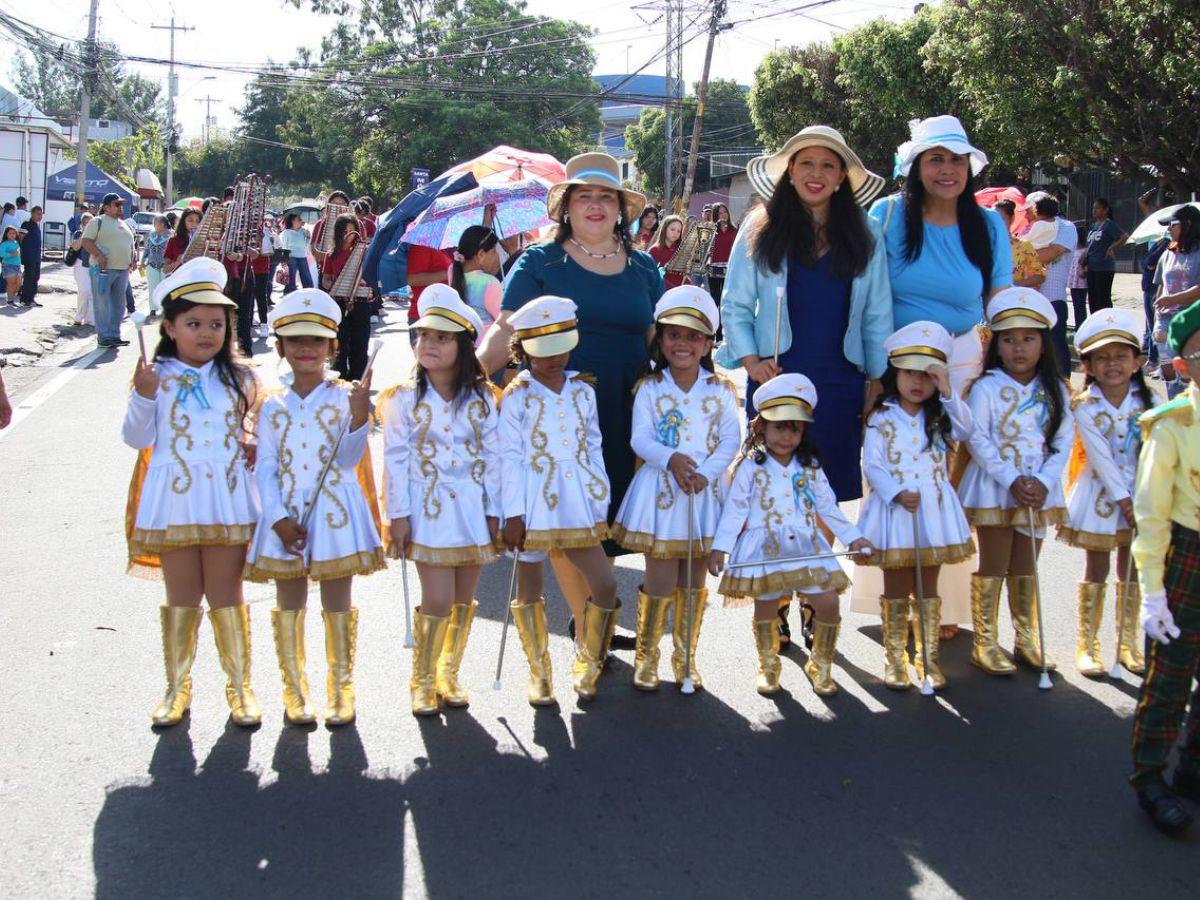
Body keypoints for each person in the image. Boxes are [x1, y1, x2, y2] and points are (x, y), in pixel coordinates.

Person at [478, 151, 664, 648]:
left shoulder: (645, 268)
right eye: (585, 196)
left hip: (625, 413)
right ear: (566, 206)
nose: (597, 206)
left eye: (607, 196)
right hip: (554, 415)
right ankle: (590, 628)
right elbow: (506, 327)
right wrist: (465, 377)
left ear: (622, 208)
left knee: (613, 521)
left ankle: (596, 622)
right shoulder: (540, 262)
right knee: (567, 517)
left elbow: (657, 341)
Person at [121, 258, 261, 727]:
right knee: (182, 597)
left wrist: (251, 441)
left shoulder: (240, 377)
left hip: (224, 499)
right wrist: (142, 396)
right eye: (194, 323)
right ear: (170, 326)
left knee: (227, 594)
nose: (206, 332)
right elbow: (136, 439)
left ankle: (240, 687)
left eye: (216, 324)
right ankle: (176, 688)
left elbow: (250, 433)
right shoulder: (154, 375)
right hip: (175, 503)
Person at [720, 125, 892, 503]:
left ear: (842, 176)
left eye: (828, 165)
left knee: (828, 490)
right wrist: (750, 360)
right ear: (791, 170)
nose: (817, 174)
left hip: (841, 378)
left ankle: (818, 564)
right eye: (807, 164)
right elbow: (735, 302)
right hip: (777, 373)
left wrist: (877, 378)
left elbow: (877, 312)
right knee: (770, 488)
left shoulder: (867, 230)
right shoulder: (761, 225)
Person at [244, 289, 385, 726]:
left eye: (317, 341)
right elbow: (264, 466)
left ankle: (341, 689)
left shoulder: (345, 396)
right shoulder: (270, 403)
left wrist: (359, 418)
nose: (307, 349)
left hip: (335, 515)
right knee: (289, 602)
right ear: (281, 346)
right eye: (296, 340)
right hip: (283, 515)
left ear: (332, 347)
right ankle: (294, 690)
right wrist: (279, 519)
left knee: (337, 602)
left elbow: (346, 461)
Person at [709, 374, 874, 696]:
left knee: (827, 603)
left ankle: (821, 663)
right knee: (766, 605)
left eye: (795, 428)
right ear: (762, 427)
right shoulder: (750, 467)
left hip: (806, 544)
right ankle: (768, 664)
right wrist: (720, 548)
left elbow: (828, 508)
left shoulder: (810, 466)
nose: (787, 435)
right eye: (779, 426)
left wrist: (854, 538)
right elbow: (735, 511)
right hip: (763, 549)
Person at [610, 287, 741, 693]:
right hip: (660, 496)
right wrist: (670, 459)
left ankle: (686, 657)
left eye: (693, 336)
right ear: (661, 339)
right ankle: (647, 656)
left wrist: (706, 471)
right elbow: (641, 438)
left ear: (706, 344)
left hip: (703, 496)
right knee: (660, 577)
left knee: (693, 581)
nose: (682, 344)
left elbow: (729, 441)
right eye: (673, 335)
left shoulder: (720, 391)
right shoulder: (650, 388)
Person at [379, 286, 500, 716]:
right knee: (437, 597)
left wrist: (495, 512)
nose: (428, 344)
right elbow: (393, 459)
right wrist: (397, 516)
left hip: (470, 511)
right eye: (423, 335)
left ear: (464, 344)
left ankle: (449, 673)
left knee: (464, 599)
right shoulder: (401, 398)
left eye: (441, 337)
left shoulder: (483, 398)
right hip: (425, 512)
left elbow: (495, 458)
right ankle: (422, 679)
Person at [499, 296, 619, 703]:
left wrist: (598, 495)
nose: (552, 360)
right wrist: (512, 513)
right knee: (530, 588)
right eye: (540, 352)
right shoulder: (516, 396)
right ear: (522, 349)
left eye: (559, 348)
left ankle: (590, 656)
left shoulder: (583, 391)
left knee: (604, 584)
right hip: (533, 503)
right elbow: (509, 457)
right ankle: (539, 671)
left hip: (577, 502)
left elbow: (594, 445)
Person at [958, 288, 1073, 675]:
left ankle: (1026, 639)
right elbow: (977, 438)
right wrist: (1011, 479)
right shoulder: (985, 387)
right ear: (996, 345)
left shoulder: (1056, 389)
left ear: (1044, 344)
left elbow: (1062, 440)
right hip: (995, 487)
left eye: (1028, 339)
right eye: (1008, 340)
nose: (1018, 348)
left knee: (1026, 565)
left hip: (1039, 490)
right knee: (994, 562)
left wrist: (1042, 481)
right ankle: (984, 642)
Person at [856, 322, 975, 690]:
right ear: (895, 373)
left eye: (927, 375)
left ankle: (928, 657)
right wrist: (894, 491)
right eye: (909, 372)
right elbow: (872, 463)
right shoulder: (882, 415)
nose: (917, 382)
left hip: (934, 512)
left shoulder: (939, 416)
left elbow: (966, 431)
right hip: (895, 512)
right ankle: (895, 657)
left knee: (928, 587)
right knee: (896, 585)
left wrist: (949, 391)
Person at [870, 116, 1013, 396]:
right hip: (892, 362)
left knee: (954, 439)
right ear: (917, 167)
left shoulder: (990, 225)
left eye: (957, 159)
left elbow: (1000, 304)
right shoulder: (885, 214)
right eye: (936, 158)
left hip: (961, 363)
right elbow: (862, 297)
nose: (947, 169)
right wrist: (873, 375)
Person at [1129, 298, 1200, 835]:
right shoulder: (1172, 426)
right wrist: (1153, 591)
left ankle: (1193, 771)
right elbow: (1151, 515)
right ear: (1183, 366)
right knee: (1169, 676)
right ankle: (1150, 775)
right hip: (1186, 557)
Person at [1058, 309, 1152, 677]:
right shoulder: (1084, 406)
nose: (1112, 364)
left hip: (1141, 496)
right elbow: (1099, 458)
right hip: (1100, 496)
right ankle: (1089, 644)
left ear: (1137, 362)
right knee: (1096, 566)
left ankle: (1128, 643)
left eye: (1121, 356)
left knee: (1133, 569)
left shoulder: (1149, 405)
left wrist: (1142, 497)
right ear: (1089, 366)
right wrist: (1124, 500)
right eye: (1102, 357)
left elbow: (1152, 453)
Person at [1024, 195, 1078, 375]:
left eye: (1028, 210)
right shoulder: (1026, 231)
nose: (1025, 214)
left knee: (1056, 349)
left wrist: (1021, 257)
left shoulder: (1066, 227)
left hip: (1053, 299)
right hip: (1026, 300)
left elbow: (1053, 252)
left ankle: (1063, 392)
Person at [1152, 205, 1200, 400]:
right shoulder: (1167, 253)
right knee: (1168, 371)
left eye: (1172, 225)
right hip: (1164, 321)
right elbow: (1161, 286)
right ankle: (1173, 404)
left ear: (1188, 225)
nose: (1169, 229)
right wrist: (1157, 314)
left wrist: (1173, 299)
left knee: (1187, 370)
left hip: (1191, 323)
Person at [81, 193, 136, 349]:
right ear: (106, 207)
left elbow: (129, 244)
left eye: (121, 204)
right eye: (116, 204)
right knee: (102, 303)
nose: (120, 207)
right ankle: (104, 337)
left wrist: (133, 256)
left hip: (122, 269)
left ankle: (114, 335)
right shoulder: (97, 222)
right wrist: (98, 255)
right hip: (102, 270)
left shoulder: (123, 223)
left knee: (119, 304)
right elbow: (86, 241)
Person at [321, 213, 372, 380]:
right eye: (345, 230)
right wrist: (334, 285)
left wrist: (365, 283)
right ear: (338, 232)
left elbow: (371, 276)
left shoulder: (363, 252)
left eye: (352, 230)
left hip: (360, 303)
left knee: (360, 343)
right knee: (340, 343)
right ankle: (340, 378)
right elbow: (325, 279)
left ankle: (357, 379)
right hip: (339, 304)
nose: (349, 234)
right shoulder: (331, 254)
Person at [449, 226, 502, 338]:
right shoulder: (490, 283)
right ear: (481, 254)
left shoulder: (453, 272)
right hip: (485, 347)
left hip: (463, 346)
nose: (496, 255)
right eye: (493, 251)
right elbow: (503, 322)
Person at [404, 242, 453, 348]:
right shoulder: (421, 247)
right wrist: (447, 273)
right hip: (424, 316)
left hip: (439, 315)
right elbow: (412, 279)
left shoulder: (440, 247)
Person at [1084, 198, 1128, 313]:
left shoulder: (1109, 224)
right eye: (1093, 208)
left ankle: (1107, 323)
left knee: (1103, 299)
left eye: (1097, 208)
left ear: (1105, 210)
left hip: (1104, 267)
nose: (1094, 210)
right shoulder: (1093, 226)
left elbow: (1124, 237)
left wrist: (1112, 247)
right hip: (1091, 267)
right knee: (1092, 299)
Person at [992, 199, 1046, 290]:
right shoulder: (983, 245)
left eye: (1001, 219)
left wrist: (1013, 286)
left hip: (1012, 300)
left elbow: (1040, 275)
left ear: (1012, 219)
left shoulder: (1023, 246)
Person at [1141, 234, 1170, 367]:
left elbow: (1151, 260)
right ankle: (1153, 358)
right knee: (1151, 324)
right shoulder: (1158, 243)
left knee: (1156, 325)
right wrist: (1148, 264)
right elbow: (1144, 262)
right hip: (1147, 287)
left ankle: (1156, 359)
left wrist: (1149, 263)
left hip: (1155, 288)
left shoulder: (1167, 244)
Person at [648, 214, 689, 289]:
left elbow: (683, 275)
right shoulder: (654, 250)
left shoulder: (680, 251)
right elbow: (651, 276)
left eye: (679, 231)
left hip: (679, 291)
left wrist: (690, 286)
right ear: (664, 229)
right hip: (662, 292)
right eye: (672, 229)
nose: (675, 233)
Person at [141, 215, 170, 319]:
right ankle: (152, 309)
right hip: (152, 264)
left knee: (165, 287)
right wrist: (143, 261)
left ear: (163, 224)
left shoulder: (171, 235)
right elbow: (147, 249)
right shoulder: (152, 235)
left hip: (165, 265)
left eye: (156, 222)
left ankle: (165, 309)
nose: (154, 225)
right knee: (153, 287)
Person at [707, 202, 736, 305]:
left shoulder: (734, 230)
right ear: (715, 215)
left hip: (729, 269)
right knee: (715, 299)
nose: (723, 214)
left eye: (725, 212)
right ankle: (716, 320)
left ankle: (724, 321)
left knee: (727, 298)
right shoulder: (711, 230)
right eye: (720, 213)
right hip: (713, 269)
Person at [70, 214, 94, 326]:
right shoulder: (78, 234)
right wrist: (85, 233)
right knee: (84, 290)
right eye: (86, 223)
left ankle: (90, 319)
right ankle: (79, 316)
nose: (89, 225)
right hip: (80, 264)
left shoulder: (97, 235)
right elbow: (75, 247)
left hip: (94, 265)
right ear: (82, 224)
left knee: (92, 292)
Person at [278, 213, 312, 293]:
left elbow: (305, 244)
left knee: (306, 276)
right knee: (291, 277)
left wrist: (308, 237)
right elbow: (284, 246)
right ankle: (290, 293)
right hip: (291, 256)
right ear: (292, 221)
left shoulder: (303, 231)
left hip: (302, 256)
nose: (301, 221)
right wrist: (285, 259)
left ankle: (309, 293)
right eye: (299, 219)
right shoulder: (286, 232)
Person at [17, 206, 43, 307]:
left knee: (36, 277)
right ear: (32, 213)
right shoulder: (26, 224)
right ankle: (25, 299)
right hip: (29, 255)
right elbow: (21, 238)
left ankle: (31, 298)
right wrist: (22, 252)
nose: (39, 216)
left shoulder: (36, 225)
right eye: (38, 214)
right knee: (29, 277)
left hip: (36, 256)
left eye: (41, 214)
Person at [162, 208, 200, 275]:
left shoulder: (204, 241)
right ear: (183, 222)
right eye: (190, 220)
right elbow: (165, 270)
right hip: (179, 281)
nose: (194, 224)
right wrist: (176, 263)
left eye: (197, 221)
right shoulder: (173, 240)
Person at [1068, 223, 1089, 328]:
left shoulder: (1085, 251)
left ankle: (1081, 326)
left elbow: (1086, 265)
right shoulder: (1073, 251)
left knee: (1080, 305)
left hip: (1081, 283)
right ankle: (1077, 325)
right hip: (1073, 282)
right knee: (1075, 305)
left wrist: (1084, 270)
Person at [1, 226, 21, 306]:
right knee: (11, 284)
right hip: (8, 265)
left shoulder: (16, 243)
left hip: (17, 266)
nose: (12, 235)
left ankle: (10, 297)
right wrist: (11, 254)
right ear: (6, 234)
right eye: (10, 233)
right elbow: (1, 254)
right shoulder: (4, 244)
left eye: (14, 233)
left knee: (18, 284)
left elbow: (18, 254)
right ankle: (10, 301)